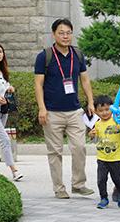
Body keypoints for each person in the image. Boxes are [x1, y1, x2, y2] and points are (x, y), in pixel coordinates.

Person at [33, 18, 95, 199]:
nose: (65, 36)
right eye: (61, 33)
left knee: (79, 147)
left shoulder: (78, 54)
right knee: (55, 152)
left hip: (75, 111)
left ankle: (78, 184)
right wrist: (41, 108)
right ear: (53, 34)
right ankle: (59, 188)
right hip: (52, 112)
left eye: (68, 32)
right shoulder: (44, 56)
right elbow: (38, 85)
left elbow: (84, 79)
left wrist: (90, 102)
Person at [89, 95, 120, 209]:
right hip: (102, 158)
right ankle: (103, 198)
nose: (104, 113)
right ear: (96, 112)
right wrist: (92, 136)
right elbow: (96, 140)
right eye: (101, 111)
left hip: (116, 158)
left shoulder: (115, 120)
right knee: (101, 179)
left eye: (107, 110)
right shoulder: (97, 124)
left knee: (117, 179)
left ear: (111, 109)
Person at [0, 43, 22, 181]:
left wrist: (9, 88)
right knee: (5, 139)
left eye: (0, 51)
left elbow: (4, 87)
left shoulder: (2, 72)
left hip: (3, 110)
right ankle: (14, 171)